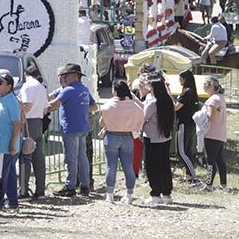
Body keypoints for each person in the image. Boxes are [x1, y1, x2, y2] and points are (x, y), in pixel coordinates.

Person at [46, 64, 97, 197]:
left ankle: (70, 186)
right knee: (82, 158)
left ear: (75, 76)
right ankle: (85, 186)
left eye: (66, 75)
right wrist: (82, 110)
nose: (64, 78)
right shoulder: (84, 89)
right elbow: (94, 106)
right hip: (83, 127)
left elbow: (55, 104)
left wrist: (43, 109)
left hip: (70, 128)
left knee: (71, 158)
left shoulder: (68, 90)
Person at [98, 79, 144, 204]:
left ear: (115, 91)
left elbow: (102, 122)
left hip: (111, 136)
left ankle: (110, 195)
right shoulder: (133, 106)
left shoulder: (108, 105)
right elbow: (142, 117)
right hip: (128, 136)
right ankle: (129, 195)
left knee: (110, 167)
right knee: (128, 166)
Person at [0, 70, 23, 211]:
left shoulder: (11, 101)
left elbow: (17, 124)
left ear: (9, 86)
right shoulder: (1, 99)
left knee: (0, 173)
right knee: (9, 173)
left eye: (0, 83)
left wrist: (13, 144)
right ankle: (12, 201)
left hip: (4, 145)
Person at [142, 75, 175, 205]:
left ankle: (155, 193)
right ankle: (167, 193)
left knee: (152, 166)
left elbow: (144, 117)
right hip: (165, 137)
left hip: (152, 137)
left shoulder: (153, 103)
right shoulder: (167, 101)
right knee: (164, 165)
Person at [18, 64, 48, 200]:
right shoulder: (41, 87)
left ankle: (23, 191)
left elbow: (27, 105)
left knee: (26, 156)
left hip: (28, 122)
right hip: (38, 121)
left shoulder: (27, 86)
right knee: (38, 156)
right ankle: (40, 190)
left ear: (26, 74)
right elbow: (45, 109)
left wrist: (20, 111)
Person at [174, 69, 201, 184]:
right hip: (190, 124)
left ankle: (193, 175)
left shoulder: (187, 92)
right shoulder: (191, 91)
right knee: (187, 150)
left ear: (185, 79)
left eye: (180, 78)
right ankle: (189, 176)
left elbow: (176, 107)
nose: (179, 81)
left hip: (184, 124)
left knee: (181, 152)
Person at [202, 77, 229, 190]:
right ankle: (223, 184)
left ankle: (208, 184)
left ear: (210, 86)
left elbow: (210, 116)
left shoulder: (213, 100)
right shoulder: (221, 98)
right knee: (220, 160)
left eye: (204, 84)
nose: (203, 86)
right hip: (220, 133)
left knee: (210, 161)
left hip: (211, 133)